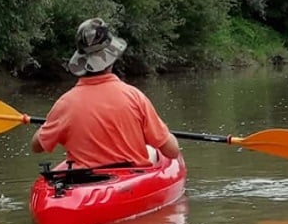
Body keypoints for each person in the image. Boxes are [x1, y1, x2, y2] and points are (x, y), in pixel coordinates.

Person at [30, 18, 181, 167]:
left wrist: (50, 123)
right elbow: (172, 151)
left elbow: (37, 146)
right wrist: (164, 132)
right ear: (111, 58)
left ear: (82, 60)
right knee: (152, 151)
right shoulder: (134, 97)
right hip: (131, 177)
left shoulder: (64, 104)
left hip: (82, 180)